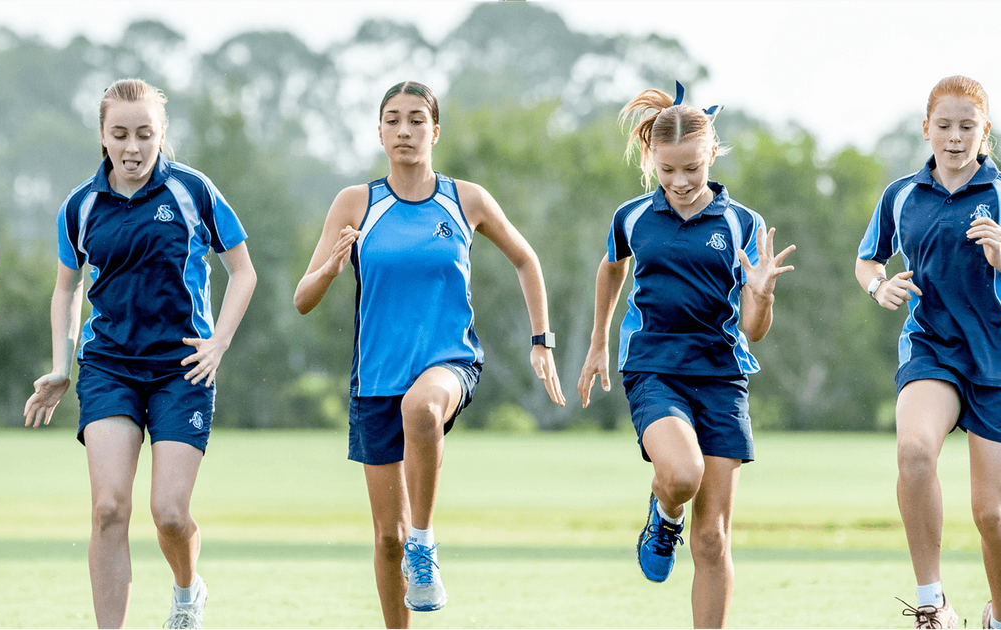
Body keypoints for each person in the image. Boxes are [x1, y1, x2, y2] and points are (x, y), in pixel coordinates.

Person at [293, 80, 565, 629]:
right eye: (393, 120)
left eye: (417, 120)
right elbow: (302, 299)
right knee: (385, 539)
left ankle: (426, 542)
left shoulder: (465, 199)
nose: (405, 130)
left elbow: (526, 259)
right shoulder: (355, 203)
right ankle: (407, 565)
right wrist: (329, 268)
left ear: (435, 131)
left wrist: (542, 341)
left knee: (420, 410)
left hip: (450, 362)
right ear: (379, 133)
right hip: (375, 379)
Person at [21, 78, 255, 630]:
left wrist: (219, 340)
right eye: (120, 134)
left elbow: (242, 270)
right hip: (109, 369)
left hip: (183, 369)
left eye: (145, 134)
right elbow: (66, 286)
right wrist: (62, 364)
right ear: (102, 136)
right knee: (108, 510)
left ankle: (186, 589)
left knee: (169, 515)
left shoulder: (193, 192)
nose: (132, 147)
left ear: (162, 134)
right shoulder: (79, 207)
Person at [576, 82, 793, 629]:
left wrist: (762, 293)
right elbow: (611, 268)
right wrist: (599, 341)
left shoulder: (741, 224)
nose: (679, 182)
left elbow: (753, 330)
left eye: (691, 169)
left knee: (713, 538)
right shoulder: (631, 216)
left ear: (711, 155)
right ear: (651, 158)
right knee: (680, 473)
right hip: (653, 369)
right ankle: (663, 513)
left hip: (722, 378)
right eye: (667, 170)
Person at [855, 76, 1001, 630]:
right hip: (931, 349)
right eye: (943, 126)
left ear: (985, 132)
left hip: (1000, 360)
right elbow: (867, 260)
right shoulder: (901, 195)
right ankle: (933, 602)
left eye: (967, 127)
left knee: (992, 515)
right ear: (926, 129)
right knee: (915, 453)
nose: (954, 137)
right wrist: (880, 287)